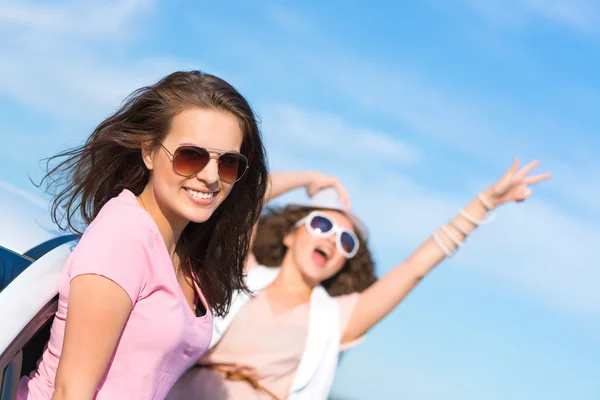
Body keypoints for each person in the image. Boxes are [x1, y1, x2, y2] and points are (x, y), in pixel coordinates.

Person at [168, 161, 551, 400]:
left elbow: (415, 267)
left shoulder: (337, 317)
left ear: (342, 264)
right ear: (290, 233)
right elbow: (246, 199)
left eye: (345, 242)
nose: (332, 240)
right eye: (321, 224)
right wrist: (310, 178)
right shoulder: (242, 276)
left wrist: (484, 202)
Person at [17, 70, 269, 400]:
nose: (210, 177)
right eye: (191, 155)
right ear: (149, 152)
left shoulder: (181, 253)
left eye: (228, 163)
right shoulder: (124, 236)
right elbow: (71, 390)